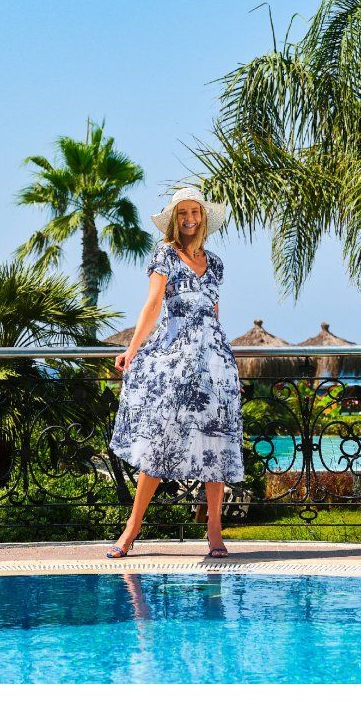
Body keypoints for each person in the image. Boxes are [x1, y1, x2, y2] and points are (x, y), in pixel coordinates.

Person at [106, 186, 245, 559]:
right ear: (174, 219)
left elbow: (214, 313)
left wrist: (226, 365)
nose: (188, 219)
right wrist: (132, 349)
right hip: (174, 359)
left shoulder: (215, 263)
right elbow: (153, 304)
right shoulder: (164, 255)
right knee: (159, 441)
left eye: (194, 212)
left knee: (216, 445)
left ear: (203, 217)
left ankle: (214, 530)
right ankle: (132, 528)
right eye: (182, 213)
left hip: (214, 362)